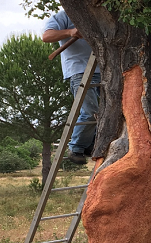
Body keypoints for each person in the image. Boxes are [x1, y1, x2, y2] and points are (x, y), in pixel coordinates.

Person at [43, 10, 100, 164]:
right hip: (80, 70)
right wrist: (71, 31)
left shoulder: (99, 13)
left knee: (108, 113)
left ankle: (88, 145)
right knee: (90, 112)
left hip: (105, 68)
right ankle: (76, 148)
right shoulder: (64, 16)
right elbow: (46, 36)